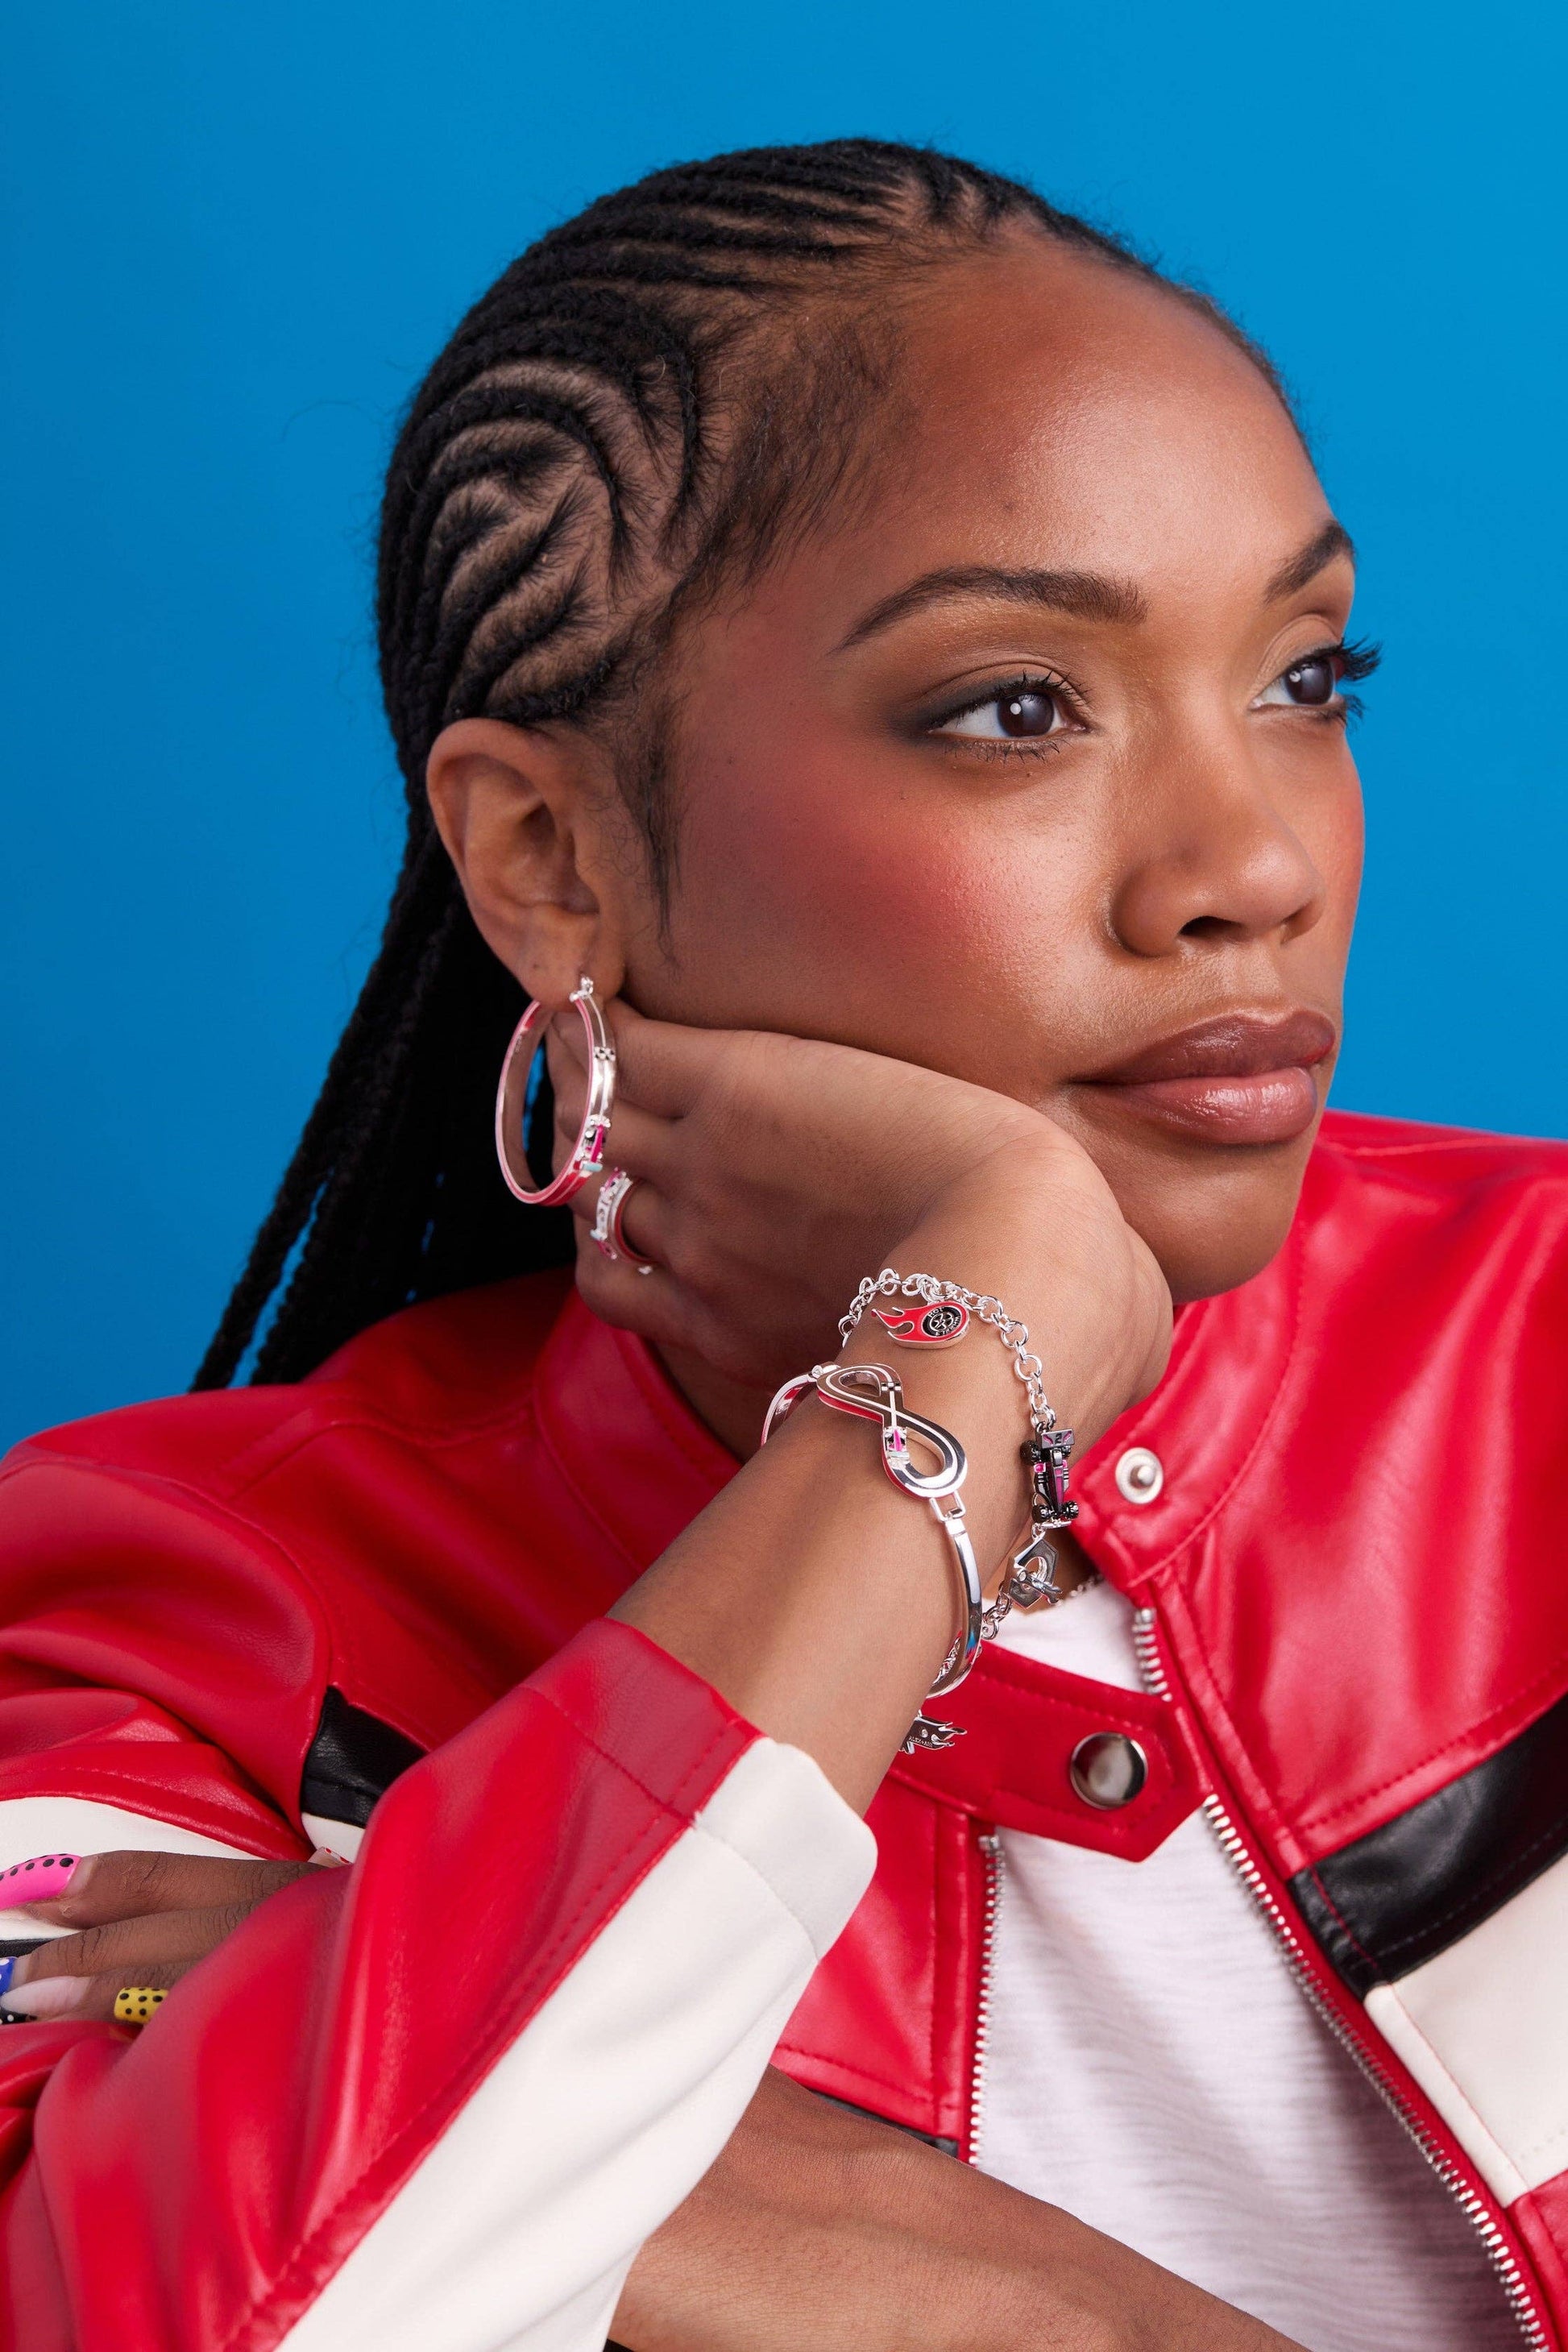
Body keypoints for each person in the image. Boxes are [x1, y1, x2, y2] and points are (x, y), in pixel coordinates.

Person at [0, 137, 1562, 2352]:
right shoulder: (180, 1630)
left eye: (1305, 679)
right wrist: (972, 1342)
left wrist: (908, 2260)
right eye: (1015, 708)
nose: (1252, 868)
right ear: (549, 857)